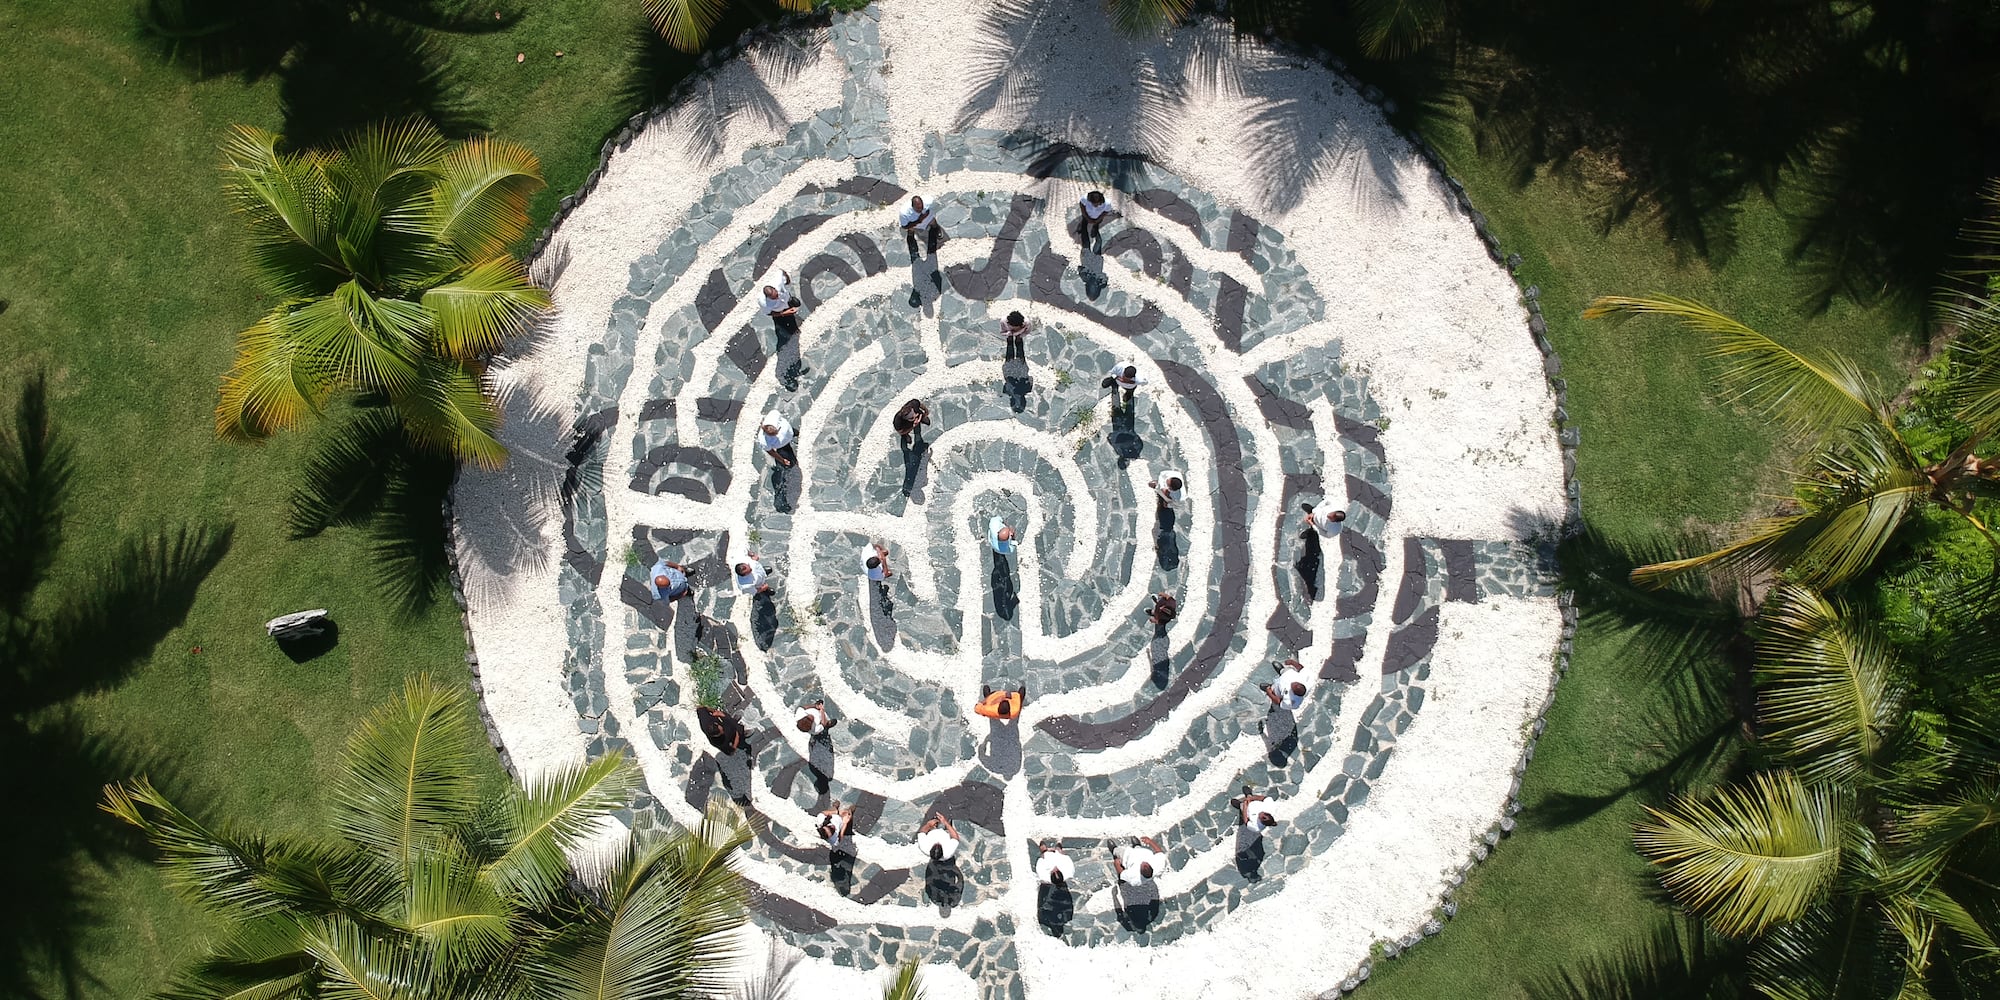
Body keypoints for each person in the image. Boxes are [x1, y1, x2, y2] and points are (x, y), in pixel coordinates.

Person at [760, 269, 801, 336]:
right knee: (785, 325)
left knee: (795, 308)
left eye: (777, 294)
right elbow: (769, 313)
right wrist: (784, 313)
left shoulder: (778, 282)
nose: (777, 297)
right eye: (774, 298)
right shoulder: (763, 302)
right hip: (779, 311)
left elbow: (781, 272)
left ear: (775, 289)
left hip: (787, 301)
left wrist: (788, 280)